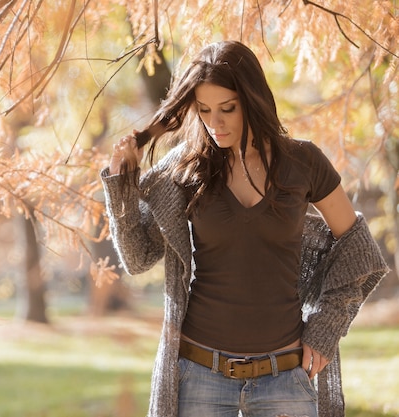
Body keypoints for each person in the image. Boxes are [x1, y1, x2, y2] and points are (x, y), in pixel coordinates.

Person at [100, 41, 389, 417]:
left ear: (253, 100)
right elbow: (138, 258)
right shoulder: (186, 168)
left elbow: (359, 250)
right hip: (199, 375)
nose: (214, 123)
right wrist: (122, 183)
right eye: (203, 110)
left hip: (284, 377)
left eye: (227, 109)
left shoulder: (303, 162)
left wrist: (326, 327)